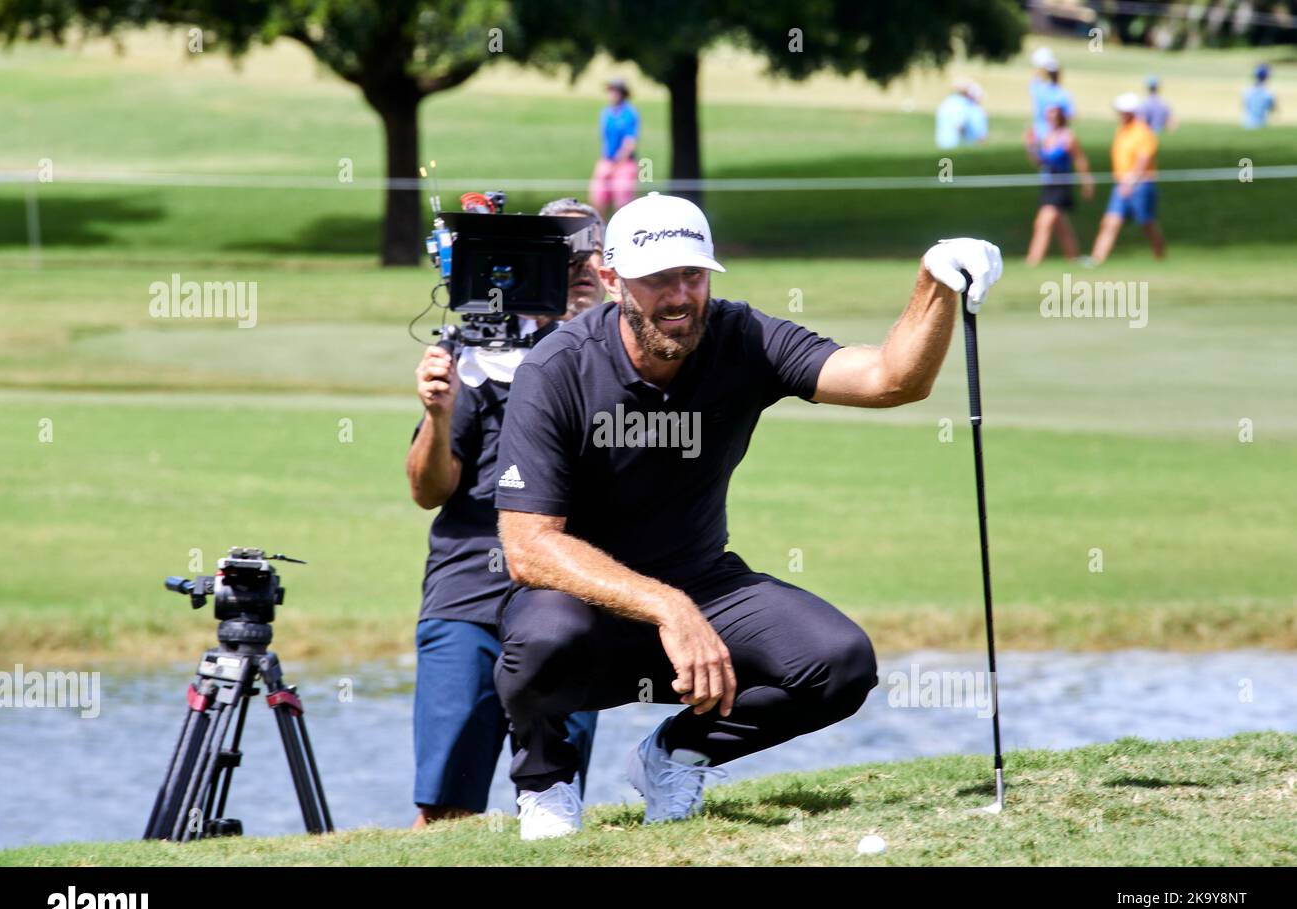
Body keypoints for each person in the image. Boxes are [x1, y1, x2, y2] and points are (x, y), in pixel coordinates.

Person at [489, 191, 1004, 840]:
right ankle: (546, 784)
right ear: (613, 279)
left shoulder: (743, 337)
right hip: (582, 601)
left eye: (693, 275)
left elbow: (889, 379)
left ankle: (676, 757)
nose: (680, 297)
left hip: (704, 581)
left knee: (839, 663)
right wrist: (669, 608)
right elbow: (528, 548)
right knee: (542, 640)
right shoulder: (557, 367)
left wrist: (934, 283)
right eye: (658, 280)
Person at [406, 198, 607, 827]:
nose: (577, 266)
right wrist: (439, 416)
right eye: (561, 255)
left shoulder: (628, 359)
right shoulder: (480, 350)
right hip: (468, 587)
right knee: (445, 805)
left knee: (553, 806)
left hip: (570, 595)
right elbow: (428, 490)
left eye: (589, 252)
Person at [1090, 93, 1165, 265]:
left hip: (1141, 184)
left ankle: (1160, 256)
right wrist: (1124, 183)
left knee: (1147, 223)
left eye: (1124, 112)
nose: (1121, 115)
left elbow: (1143, 160)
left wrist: (1131, 182)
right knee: (1110, 222)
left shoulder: (1143, 132)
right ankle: (1097, 259)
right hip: (1121, 184)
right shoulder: (1122, 131)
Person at [1024, 104, 1094, 265]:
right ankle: (1074, 258)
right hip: (1049, 183)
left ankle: (1033, 260)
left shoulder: (1068, 137)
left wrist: (1087, 182)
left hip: (1061, 184)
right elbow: (1040, 161)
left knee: (1043, 222)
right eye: (1049, 115)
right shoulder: (1048, 137)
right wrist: (1031, 145)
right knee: (1061, 225)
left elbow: (1078, 159)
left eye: (1054, 115)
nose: (1051, 118)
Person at [589, 78, 639, 217]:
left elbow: (630, 143)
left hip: (624, 162)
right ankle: (601, 233)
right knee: (597, 200)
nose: (611, 94)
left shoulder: (629, 113)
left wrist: (616, 164)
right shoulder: (606, 113)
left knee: (623, 204)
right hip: (607, 160)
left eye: (614, 91)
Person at [1028, 47, 1074, 143]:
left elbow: (1035, 77)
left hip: (1039, 135)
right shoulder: (1064, 95)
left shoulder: (1038, 90)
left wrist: (1042, 66)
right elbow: (1070, 116)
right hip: (1056, 138)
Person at [934, 80, 988, 150]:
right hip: (954, 143)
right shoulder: (961, 104)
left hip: (942, 142)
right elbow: (959, 125)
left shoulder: (947, 102)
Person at [1242, 64, 1277, 129]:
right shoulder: (1268, 93)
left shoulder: (1247, 91)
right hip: (1261, 124)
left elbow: (1245, 106)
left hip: (1246, 124)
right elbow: (1273, 109)